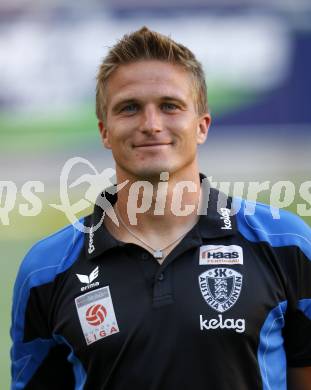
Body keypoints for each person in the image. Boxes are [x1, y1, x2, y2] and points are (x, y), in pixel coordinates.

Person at [11, 26, 311, 389]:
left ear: (202, 125)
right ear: (104, 130)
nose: (151, 125)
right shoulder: (47, 271)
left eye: (170, 106)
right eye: (130, 108)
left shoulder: (285, 244)